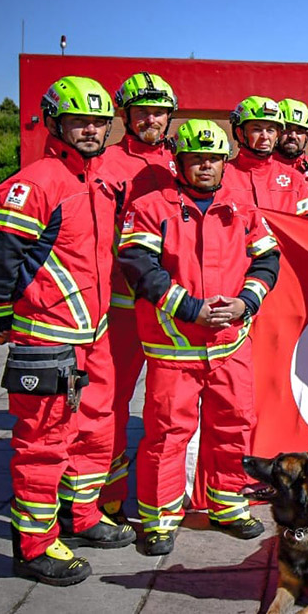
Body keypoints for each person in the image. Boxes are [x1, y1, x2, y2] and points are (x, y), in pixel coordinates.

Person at [0, 76, 135, 586]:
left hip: (95, 335)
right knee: (43, 444)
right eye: (78, 121)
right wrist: (4, 321)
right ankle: (34, 546)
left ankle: (82, 518)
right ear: (54, 122)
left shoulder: (100, 180)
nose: (90, 130)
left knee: (95, 433)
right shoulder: (35, 182)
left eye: (98, 122)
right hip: (47, 337)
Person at [117, 119, 280, 555]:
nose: (205, 166)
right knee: (168, 433)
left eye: (213, 158)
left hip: (230, 344)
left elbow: (267, 261)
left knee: (234, 425)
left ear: (225, 161)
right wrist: (189, 308)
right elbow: (138, 266)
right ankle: (158, 520)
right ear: (179, 161)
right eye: (196, 159)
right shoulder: (151, 206)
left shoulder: (242, 207)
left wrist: (247, 302)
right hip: (173, 345)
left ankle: (227, 504)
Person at [97, 71, 179, 523]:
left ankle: (170, 492)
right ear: (125, 115)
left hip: (176, 311)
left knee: (170, 410)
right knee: (110, 404)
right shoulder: (107, 165)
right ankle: (104, 498)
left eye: (160, 112)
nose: (152, 118)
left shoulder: (180, 161)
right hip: (123, 309)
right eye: (143, 111)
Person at [228, 95, 308, 217]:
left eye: (270, 130)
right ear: (240, 133)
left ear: (277, 134)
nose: (265, 136)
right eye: (257, 129)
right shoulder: (223, 175)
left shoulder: (295, 179)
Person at [274, 98, 308, 177]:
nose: (293, 136)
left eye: (299, 130)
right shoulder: (261, 167)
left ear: (307, 135)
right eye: (287, 128)